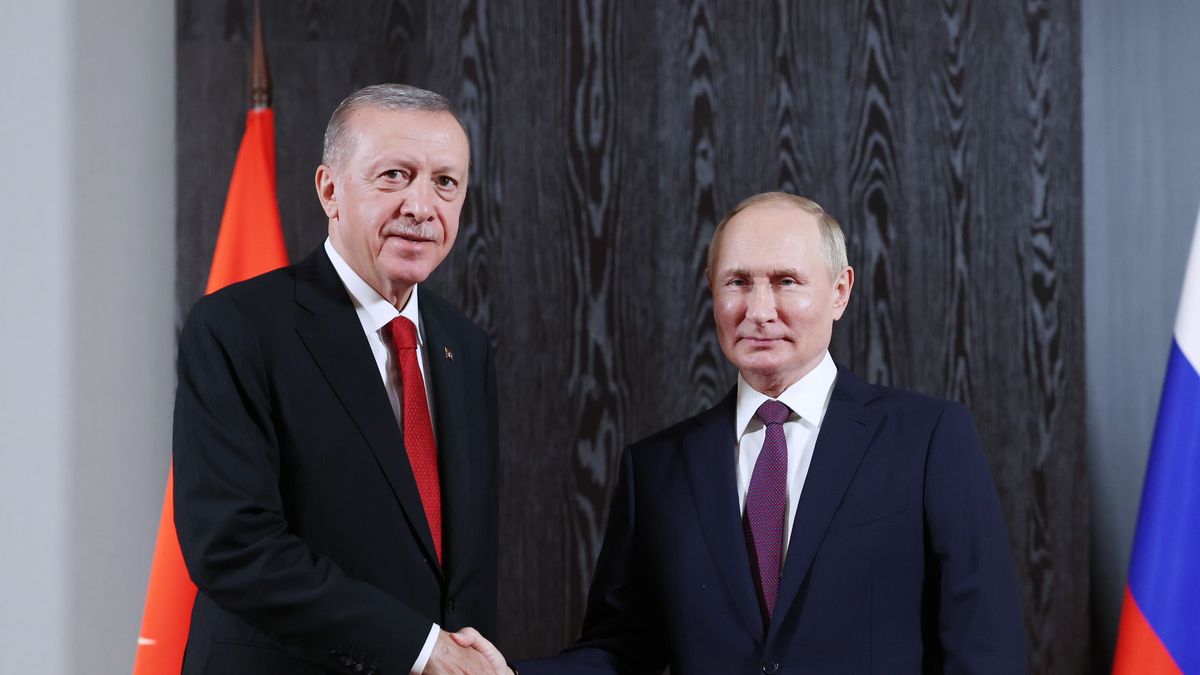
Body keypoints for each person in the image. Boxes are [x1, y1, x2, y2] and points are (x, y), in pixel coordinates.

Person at [462, 191, 1027, 673]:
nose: (759, 310)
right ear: (713, 291)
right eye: (738, 282)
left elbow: (983, 646)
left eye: (786, 281)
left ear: (839, 291)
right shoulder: (656, 469)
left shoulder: (927, 439)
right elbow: (621, 651)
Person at [173, 84, 506, 674]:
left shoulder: (466, 347)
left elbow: (459, 570)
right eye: (395, 176)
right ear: (329, 189)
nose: (422, 206)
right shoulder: (237, 327)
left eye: (445, 183)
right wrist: (423, 652)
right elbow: (232, 545)